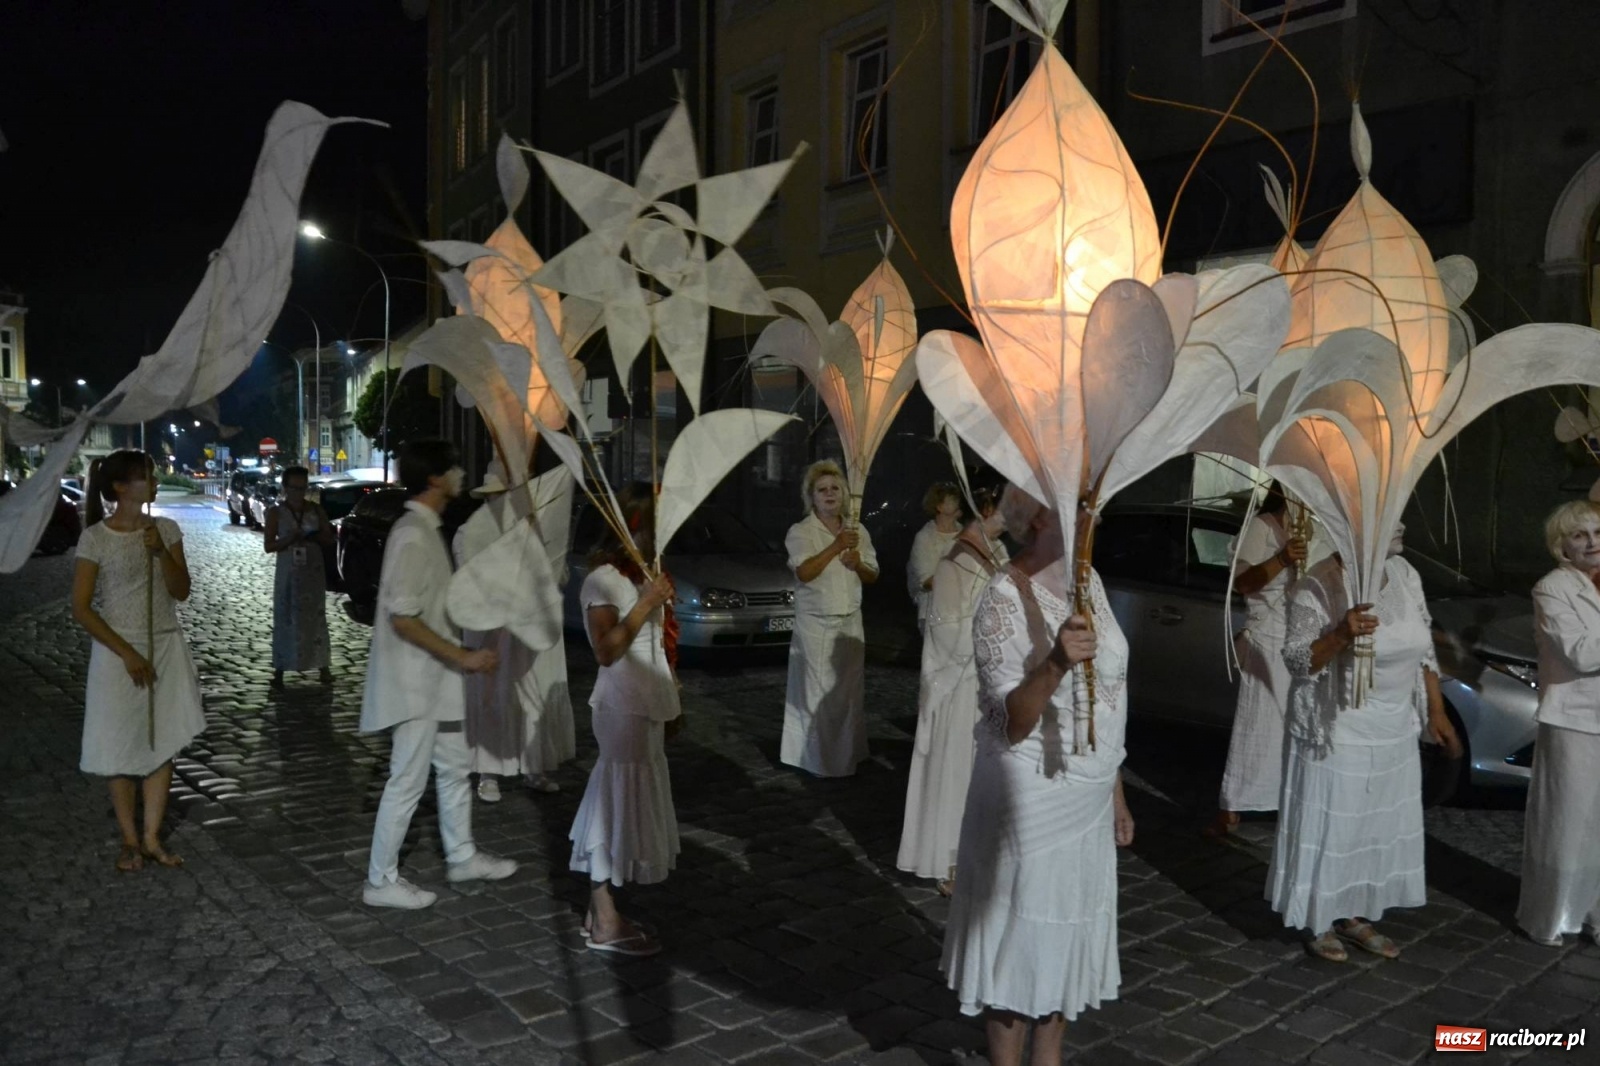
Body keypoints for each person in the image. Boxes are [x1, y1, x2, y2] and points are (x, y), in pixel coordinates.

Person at [942, 488, 1135, 1066]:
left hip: (1089, 792)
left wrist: (1116, 791)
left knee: (1065, 934)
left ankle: (1048, 1060)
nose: (1091, 515)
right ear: (1038, 517)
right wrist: (1054, 663)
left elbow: (1108, 698)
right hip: (1030, 795)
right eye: (1078, 504)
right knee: (1020, 935)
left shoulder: (1089, 582)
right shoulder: (1002, 596)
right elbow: (1012, 722)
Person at [1269, 525, 1462, 961]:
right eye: (1387, 518)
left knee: (1371, 825)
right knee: (1337, 824)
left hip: (1394, 726)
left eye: (1397, 517)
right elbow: (1297, 661)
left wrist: (1436, 709)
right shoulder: (1316, 584)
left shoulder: (1406, 573)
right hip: (1340, 728)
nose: (1399, 525)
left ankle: (1352, 912)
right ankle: (1319, 916)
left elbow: (1423, 646)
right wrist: (1339, 635)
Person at [359, 440, 517, 910]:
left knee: (453, 768)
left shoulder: (427, 528)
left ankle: (461, 854)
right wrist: (461, 655)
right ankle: (380, 879)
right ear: (434, 479)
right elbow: (402, 617)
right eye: (454, 468)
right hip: (414, 682)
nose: (461, 476)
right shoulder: (411, 533)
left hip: (437, 678)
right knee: (407, 779)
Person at [71, 450, 207, 872]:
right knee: (119, 743)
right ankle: (129, 841)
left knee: (161, 741)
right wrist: (127, 653)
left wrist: (161, 550)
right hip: (117, 652)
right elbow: (81, 607)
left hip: (164, 644)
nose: (155, 482)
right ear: (119, 487)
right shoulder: (95, 537)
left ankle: (151, 838)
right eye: (146, 476)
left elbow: (181, 590)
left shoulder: (165, 528)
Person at [569, 495, 679, 957]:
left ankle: (602, 914)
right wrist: (645, 603)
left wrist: (674, 697)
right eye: (653, 531)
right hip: (621, 706)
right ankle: (604, 916)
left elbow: (661, 641)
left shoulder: (641, 575)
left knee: (628, 805)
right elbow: (606, 649)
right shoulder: (603, 580)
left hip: (648, 704)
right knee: (613, 804)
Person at [898, 487, 1008, 894]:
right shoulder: (951, 562)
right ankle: (949, 858)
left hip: (990, 684)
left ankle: (983, 853)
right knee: (957, 768)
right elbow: (945, 633)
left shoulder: (1001, 558)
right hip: (958, 684)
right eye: (1000, 513)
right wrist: (991, 637)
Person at [452, 461, 576, 802]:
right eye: (497, 497)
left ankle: (535, 766)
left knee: (533, 694)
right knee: (492, 693)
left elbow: (559, 576)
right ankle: (488, 771)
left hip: (531, 628)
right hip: (490, 628)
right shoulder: (468, 533)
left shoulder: (536, 530)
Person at [1517, 500, 1600, 947]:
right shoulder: (1552, 588)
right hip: (1573, 721)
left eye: (1598, 533)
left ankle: (1595, 915)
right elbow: (1582, 653)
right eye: (1580, 535)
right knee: (1566, 824)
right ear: (1561, 546)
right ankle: (1550, 917)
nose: (1591, 543)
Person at [1206, 484, 1308, 837]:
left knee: (1295, 724)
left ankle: (1290, 798)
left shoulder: (1312, 531)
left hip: (1302, 639)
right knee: (1260, 724)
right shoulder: (1262, 526)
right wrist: (1282, 559)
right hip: (1268, 639)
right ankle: (1233, 806)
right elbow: (1243, 583)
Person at [782, 460, 879, 777]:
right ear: (811, 496)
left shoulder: (857, 530)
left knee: (848, 694)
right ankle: (817, 760)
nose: (829, 494)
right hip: (816, 625)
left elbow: (872, 575)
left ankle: (848, 756)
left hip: (850, 623)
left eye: (835, 488)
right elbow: (804, 572)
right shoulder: (800, 531)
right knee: (817, 694)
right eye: (822, 490)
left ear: (844, 494)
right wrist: (835, 547)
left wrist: (857, 564)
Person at [264, 466, 334, 690]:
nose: (298, 493)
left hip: (312, 570)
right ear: (285, 488)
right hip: (288, 570)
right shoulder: (276, 512)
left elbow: (329, 537)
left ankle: (322, 665)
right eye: (294, 488)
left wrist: (314, 536)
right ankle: (281, 668)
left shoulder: (315, 509)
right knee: (285, 617)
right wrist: (289, 538)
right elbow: (269, 545)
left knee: (315, 615)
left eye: (302, 488)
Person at [908, 482, 963, 630]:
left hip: (963, 612)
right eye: (951, 499)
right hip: (935, 614)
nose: (957, 502)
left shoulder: (966, 535)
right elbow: (925, 581)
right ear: (939, 507)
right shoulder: (925, 538)